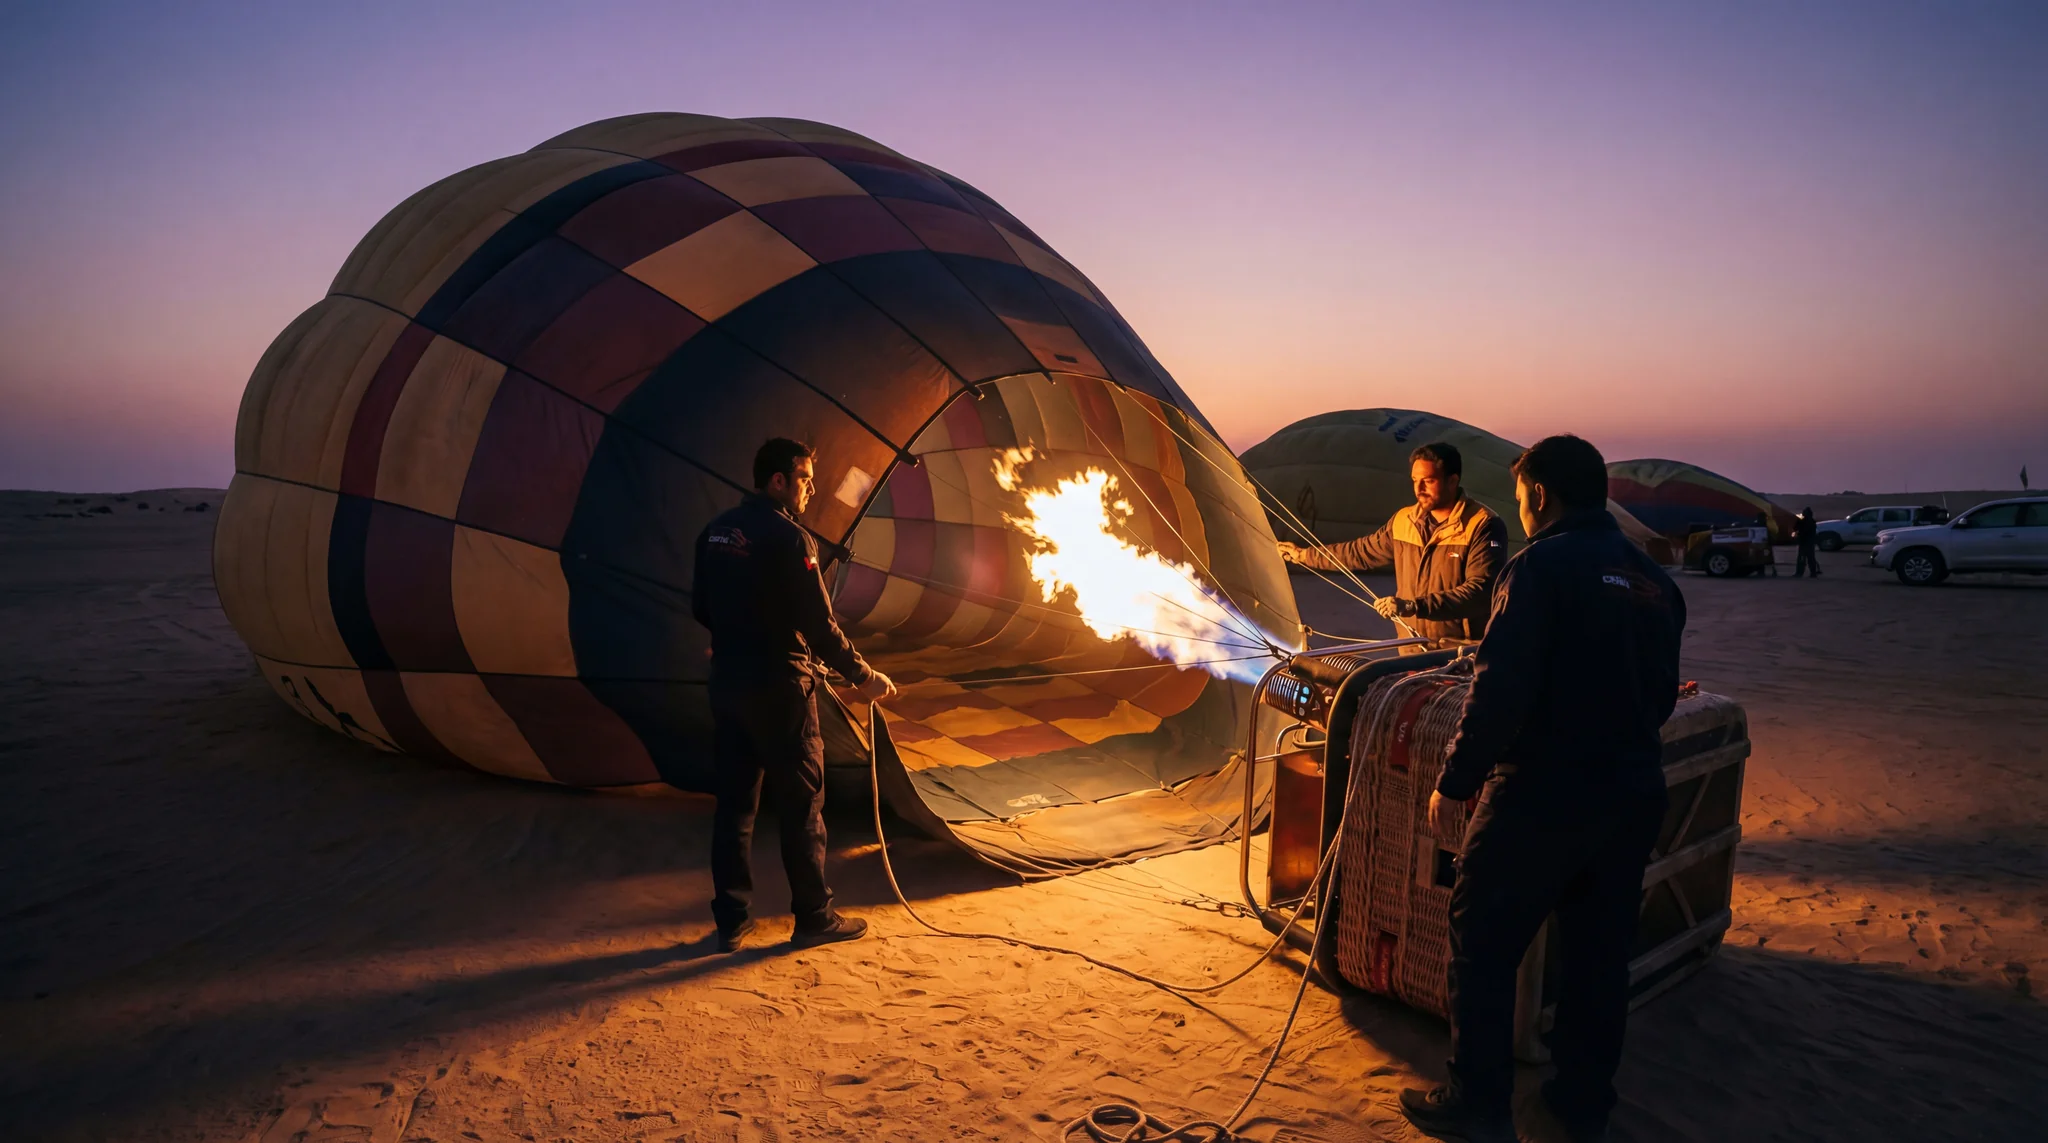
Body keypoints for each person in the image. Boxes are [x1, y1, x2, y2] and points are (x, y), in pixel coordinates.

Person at [1398, 435, 1686, 1143]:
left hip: (1542, 793)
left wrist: (1457, 780)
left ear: (1538, 495)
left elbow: (1500, 688)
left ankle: (1480, 1103)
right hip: (1631, 792)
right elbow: (1660, 698)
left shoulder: (1538, 567)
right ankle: (1581, 1102)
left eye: (1523, 493)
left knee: (1484, 941)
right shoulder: (1655, 581)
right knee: (1597, 954)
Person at [692, 438, 897, 953]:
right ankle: (813, 917)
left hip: (729, 687)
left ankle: (731, 921)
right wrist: (862, 675)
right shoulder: (790, 538)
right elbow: (820, 625)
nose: (811, 488)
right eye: (804, 478)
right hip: (781, 690)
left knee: (735, 809)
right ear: (778, 481)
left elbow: (701, 606)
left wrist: (732, 640)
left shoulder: (715, 532)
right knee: (802, 805)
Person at [1276, 441, 1509, 648]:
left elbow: (1481, 590)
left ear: (1453, 481)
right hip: (1411, 648)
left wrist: (1412, 606)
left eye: (1428, 481)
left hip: (1460, 652)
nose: (1419, 490)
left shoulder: (1482, 525)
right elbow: (1359, 552)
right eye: (1415, 481)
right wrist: (1304, 555)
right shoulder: (1404, 522)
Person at [1792, 507, 1821, 578]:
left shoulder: (1804, 521)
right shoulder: (1811, 521)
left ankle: (1799, 573)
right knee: (1810, 558)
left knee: (1802, 558)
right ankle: (1813, 573)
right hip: (1809, 543)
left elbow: (1796, 528)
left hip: (1804, 542)